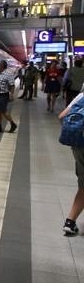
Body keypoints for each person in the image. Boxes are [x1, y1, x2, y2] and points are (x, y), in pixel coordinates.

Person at [60, 91, 84, 235]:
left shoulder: (81, 96)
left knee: (83, 185)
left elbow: (62, 117)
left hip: (79, 146)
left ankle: (70, 221)